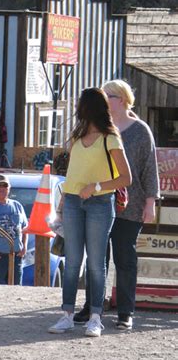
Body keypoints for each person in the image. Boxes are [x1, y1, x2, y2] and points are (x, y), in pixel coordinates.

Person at [74, 80, 159, 330]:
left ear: (121, 99)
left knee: (125, 258)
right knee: (96, 259)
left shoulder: (141, 130)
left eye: (106, 95)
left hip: (129, 205)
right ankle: (92, 306)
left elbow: (149, 169)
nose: (102, 100)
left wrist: (150, 202)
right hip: (99, 202)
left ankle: (125, 311)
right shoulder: (97, 128)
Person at [48, 87, 131, 338]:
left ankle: (96, 317)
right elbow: (71, 176)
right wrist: (60, 209)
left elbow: (125, 178)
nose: (76, 109)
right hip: (72, 202)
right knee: (72, 262)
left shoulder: (111, 138)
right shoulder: (76, 138)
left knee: (96, 264)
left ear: (89, 107)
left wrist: (95, 187)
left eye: (80, 104)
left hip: (100, 204)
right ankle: (67, 315)